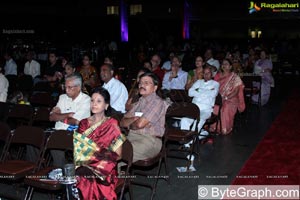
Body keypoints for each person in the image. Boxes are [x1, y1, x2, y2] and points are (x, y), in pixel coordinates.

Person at [74, 87, 126, 200]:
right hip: (84, 165)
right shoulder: (83, 124)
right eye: (92, 100)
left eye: (98, 101)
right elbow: (79, 151)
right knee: (77, 177)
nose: (94, 104)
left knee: (87, 179)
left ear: (106, 105)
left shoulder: (112, 124)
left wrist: (96, 161)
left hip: (104, 168)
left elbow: (119, 154)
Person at [120, 72, 170, 162]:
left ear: (155, 88)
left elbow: (139, 124)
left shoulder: (157, 102)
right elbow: (122, 122)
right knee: (107, 146)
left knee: (117, 151)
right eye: (140, 83)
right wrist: (134, 119)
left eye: (146, 83)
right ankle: (117, 174)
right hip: (131, 138)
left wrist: (131, 124)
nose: (142, 85)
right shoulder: (139, 102)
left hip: (149, 141)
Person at [49, 74, 91, 167]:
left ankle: (63, 171)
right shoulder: (62, 97)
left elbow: (74, 121)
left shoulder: (86, 100)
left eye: (69, 87)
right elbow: (51, 117)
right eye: (65, 86)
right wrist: (67, 115)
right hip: (58, 132)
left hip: (74, 134)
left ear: (78, 87)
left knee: (56, 141)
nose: (66, 89)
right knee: (35, 139)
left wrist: (59, 116)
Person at [181, 66, 219, 147]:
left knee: (198, 121)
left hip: (206, 109)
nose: (206, 75)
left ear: (212, 74)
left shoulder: (215, 84)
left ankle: (188, 143)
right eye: (204, 73)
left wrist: (198, 91)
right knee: (184, 120)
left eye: (208, 73)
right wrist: (206, 92)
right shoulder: (198, 82)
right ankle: (194, 137)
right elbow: (190, 92)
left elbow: (213, 94)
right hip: (194, 108)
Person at [213, 58, 245, 135]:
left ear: (230, 66)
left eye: (226, 64)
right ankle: (215, 127)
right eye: (223, 64)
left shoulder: (234, 77)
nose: (224, 65)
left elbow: (236, 91)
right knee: (214, 106)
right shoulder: (217, 76)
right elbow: (213, 88)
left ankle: (225, 128)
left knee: (225, 107)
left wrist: (226, 97)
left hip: (231, 98)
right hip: (218, 97)